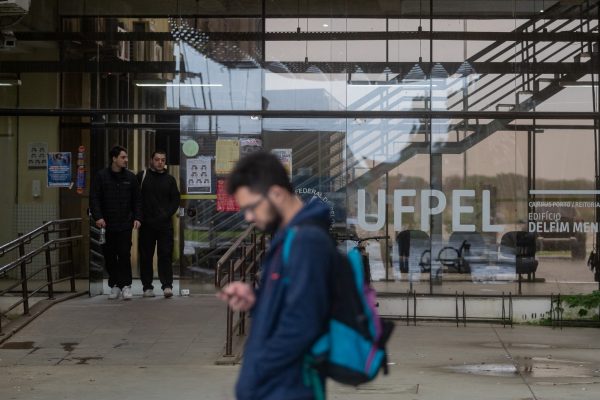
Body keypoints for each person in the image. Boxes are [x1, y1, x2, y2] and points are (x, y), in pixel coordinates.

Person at [218, 152, 335, 400]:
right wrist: (256, 299)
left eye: (251, 207)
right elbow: (292, 303)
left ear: (277, 194)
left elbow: (303, 324)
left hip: (286, 389)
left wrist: (259, 368)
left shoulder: (306, 241)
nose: (248, 217)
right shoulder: (289, 237)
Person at [90, 145, 142, 300]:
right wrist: (98, 217)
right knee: (110, 255)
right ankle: (114, 285)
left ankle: (126, 285)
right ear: (114, 158)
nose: (126, 160)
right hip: (106, 224)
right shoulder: (101, 177)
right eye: (123, 157)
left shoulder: (131, 178)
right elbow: (94, 198)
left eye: (126, 157)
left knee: (124, 254)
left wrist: (138, 218)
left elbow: (137, 200)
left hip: (125, 224)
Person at [137, 150, 180, 298]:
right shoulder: (142, 177)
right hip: (146, 225)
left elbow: (175, 200)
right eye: (157, 159)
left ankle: (167, 286)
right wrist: (139, 217)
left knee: (165, 256)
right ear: (151, 160)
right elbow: (136, 199)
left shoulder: (170, 180)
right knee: (146, 257)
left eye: (162, 160)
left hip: (164, 225)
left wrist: (166, 214)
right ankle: (147, 287)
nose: (160, 162)